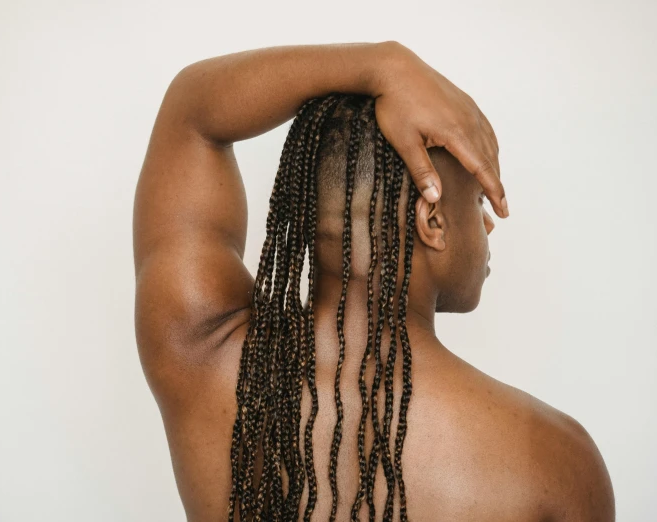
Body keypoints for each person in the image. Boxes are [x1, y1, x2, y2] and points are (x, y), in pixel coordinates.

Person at [133, 42, 615, 521]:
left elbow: (191, 111)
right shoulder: (556, 462)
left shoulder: (205, 359)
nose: (488, 224)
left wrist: (383, 65)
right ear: (433, 221)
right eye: (476, 202)